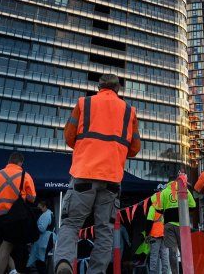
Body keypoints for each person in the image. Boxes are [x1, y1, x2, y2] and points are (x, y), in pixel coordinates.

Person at [54, 74, 141, 274]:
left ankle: (64, 263)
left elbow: (69, 136)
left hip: (84, 173)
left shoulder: (84, 103)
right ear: (118, 89)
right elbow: (135, 148)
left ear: (99, 87)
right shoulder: (129, 111)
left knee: (71, 224)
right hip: (111, 179)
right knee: (105, 231)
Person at [0, 151, 36, 274]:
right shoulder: (25, 175)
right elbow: (32, 199)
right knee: (5, 250)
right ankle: (12, 271)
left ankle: (13, 271)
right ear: (20, 162)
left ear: (8, 161)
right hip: (14, 219)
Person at [151, 176, 196, 274]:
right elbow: (193, 205)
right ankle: (187, 271)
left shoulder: (164, 192)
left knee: (172, 251)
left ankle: (175, 272)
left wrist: (167, 210)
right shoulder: (185, 189)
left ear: (168, 182)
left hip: (169, 225)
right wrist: (183, 212)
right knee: (184, 250)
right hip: (183, 226)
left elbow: (158, 208)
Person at [27, 201, 56, 274]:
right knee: (40, 262)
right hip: (47, 239)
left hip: (45, 240)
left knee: (40, 262)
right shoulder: (49, 214)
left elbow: (42, 228)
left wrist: (33, 227)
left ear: (45, 206)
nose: (38, 209)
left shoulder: (46, 215)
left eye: (40, 207)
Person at [145, 197, 170, 273]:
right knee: (164, 255)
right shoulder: (165, 206)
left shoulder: (153, 207)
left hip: (155, 234)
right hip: (165, 234)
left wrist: (147, 234)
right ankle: (165, 272)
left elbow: (149, 221)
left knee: (154, 255)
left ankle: (152, 272)